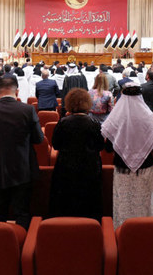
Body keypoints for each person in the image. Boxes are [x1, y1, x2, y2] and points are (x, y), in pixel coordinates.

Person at [0, 77, 44, 229]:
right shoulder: (27, 110)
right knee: (22, 213)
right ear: (17, 92)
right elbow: (39, 139)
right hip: (22, 168)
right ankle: (22, 247)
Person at [102, 83, 153, 228]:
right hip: (146, 166)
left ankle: (122, 232)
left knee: (123, 203)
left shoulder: (116, 117)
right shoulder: (149, 116)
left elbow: (108, 148)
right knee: (144, 202)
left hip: (121, 167)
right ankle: (145, 231)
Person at [49, 88, 104, 219]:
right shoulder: (94, 123)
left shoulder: (63, 122)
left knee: (67, 200)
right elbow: (100, 145)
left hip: (66, 166)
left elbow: (56, 144)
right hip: (90, 166)